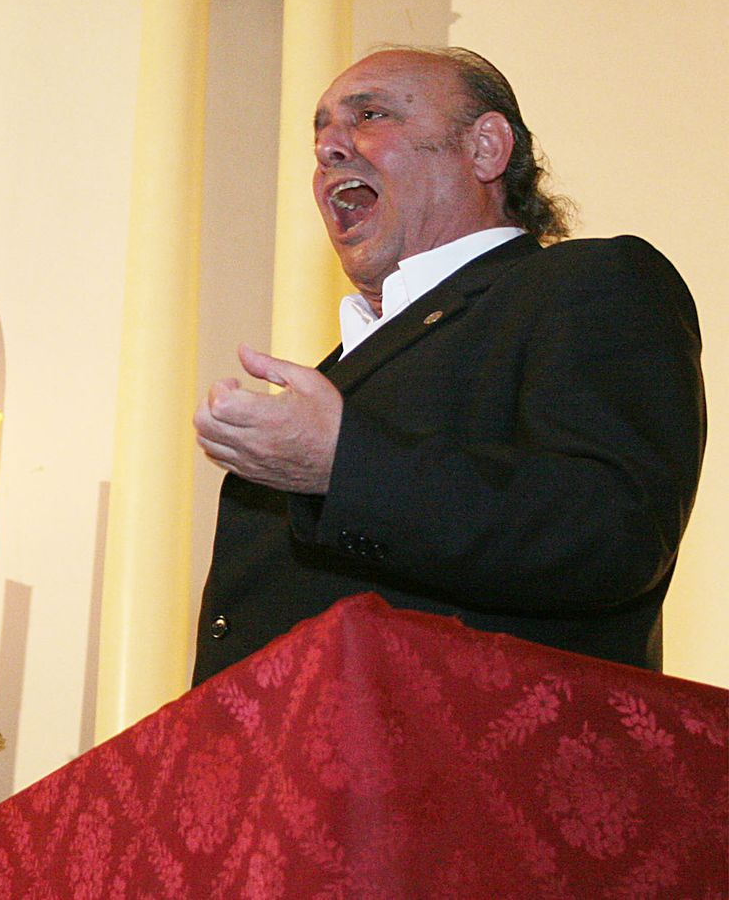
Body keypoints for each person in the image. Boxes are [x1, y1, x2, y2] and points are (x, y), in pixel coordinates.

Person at [192, 47, 706, 684]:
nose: (328, 147)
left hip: (484, 772)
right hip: (295, 771)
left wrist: (342, 464)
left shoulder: (588, 282)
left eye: (371, 115)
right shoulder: (346, 367)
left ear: (486, 148)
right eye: (320, 132)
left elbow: (612, 535)